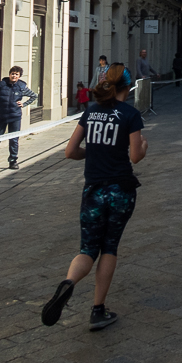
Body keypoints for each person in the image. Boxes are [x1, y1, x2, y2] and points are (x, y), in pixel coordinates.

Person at [41, 64, 147, 331]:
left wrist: (93, 152)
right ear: (128, 86)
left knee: (87, 249)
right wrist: (143, 146)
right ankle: (97, 310)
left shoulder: (90, 112)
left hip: (93, 189)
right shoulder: (130, 114)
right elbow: (135, 156)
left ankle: (68, 284)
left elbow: (70, 151)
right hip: (121, 190)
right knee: (109, 247)